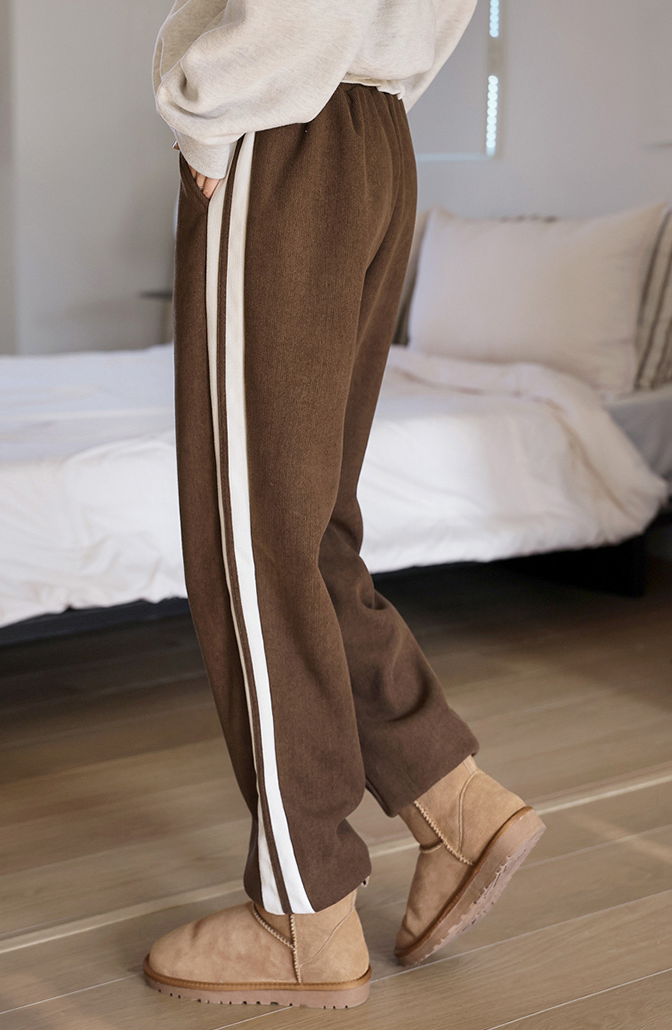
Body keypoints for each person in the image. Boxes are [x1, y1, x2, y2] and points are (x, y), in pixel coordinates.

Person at [144, 0, 545, 1009]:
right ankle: (453, 801)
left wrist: (210, 109)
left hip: (281, 128)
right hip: (373, 131)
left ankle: (303, 916)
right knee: (307, 529)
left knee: (252, 543)